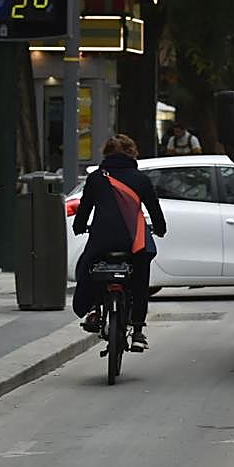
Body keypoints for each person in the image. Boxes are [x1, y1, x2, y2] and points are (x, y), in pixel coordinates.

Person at [72, 134, 166, 352]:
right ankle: (138, 330)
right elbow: (154, 209)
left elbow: (85, 208)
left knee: (90, 266)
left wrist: (80, 227)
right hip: (133, 241)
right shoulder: (140, 179)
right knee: (140, 278)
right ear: (132, 152)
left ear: (106, 153)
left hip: (102, 239)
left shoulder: (96, 178)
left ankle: (94, 310)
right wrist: (160, 229)